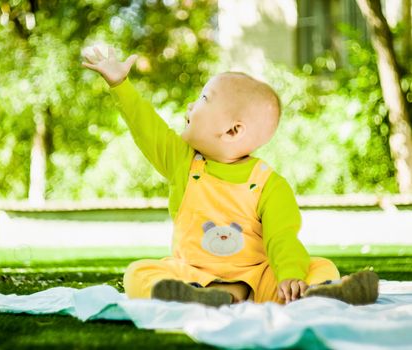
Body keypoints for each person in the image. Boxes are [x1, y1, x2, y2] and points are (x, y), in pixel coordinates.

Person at [82, 46, 379, 306]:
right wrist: (120, 84)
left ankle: (318, 292)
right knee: (138, 273)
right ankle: (210, 294)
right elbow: (148, 128)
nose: (190, 105)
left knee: (319, 266)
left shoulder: (269, 184)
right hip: (194, 273)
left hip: (257, 273)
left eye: (203, 98)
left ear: (232, 130)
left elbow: (282, 238)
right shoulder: (182, 162)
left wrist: (289, 276)